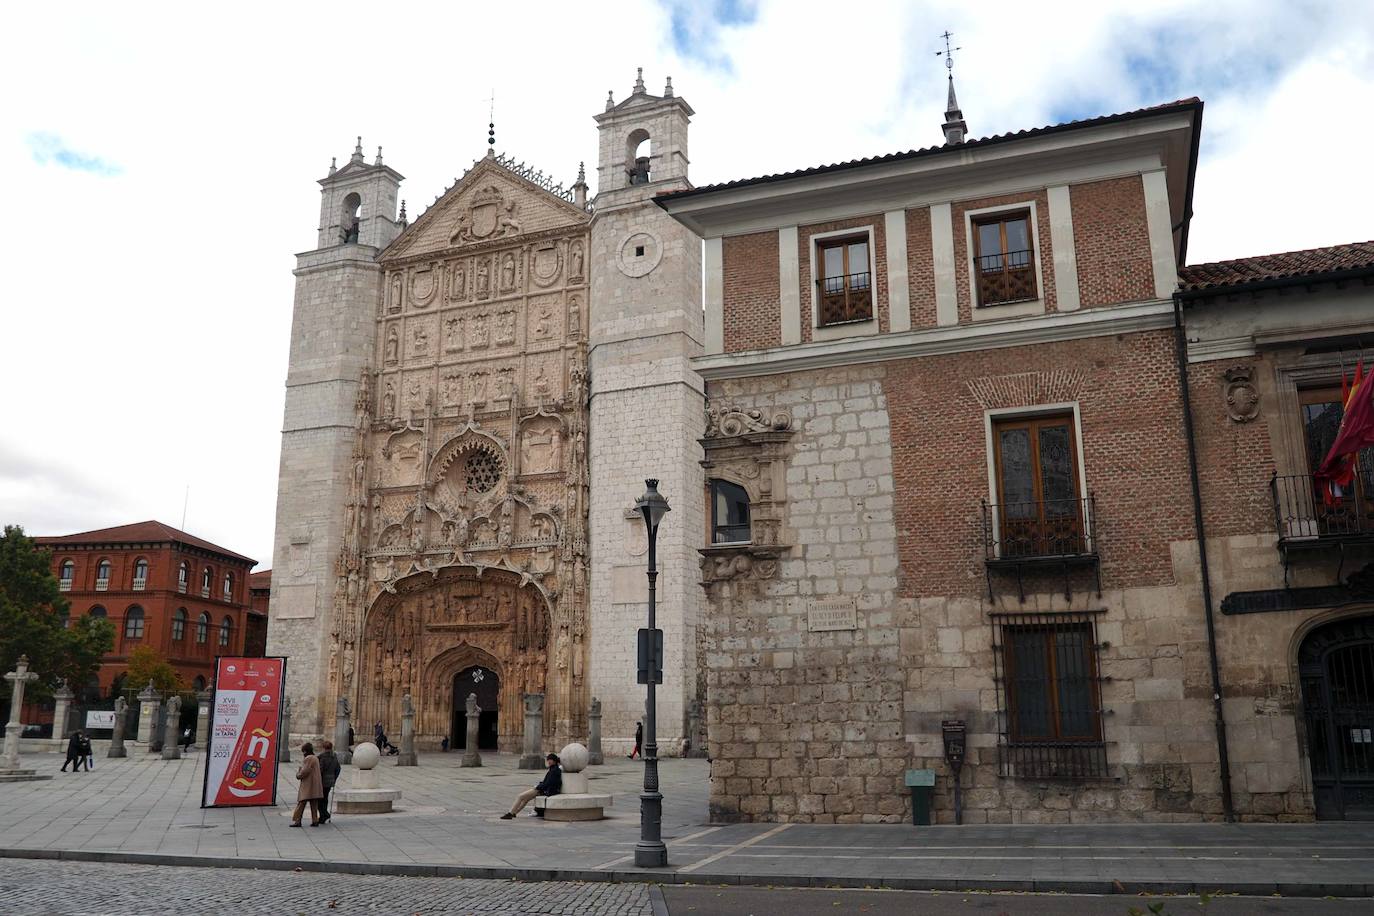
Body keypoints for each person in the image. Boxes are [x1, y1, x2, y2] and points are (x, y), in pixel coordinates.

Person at [500, 752, 561, 819]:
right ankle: (514, 813)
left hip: (543, 791)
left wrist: (537, 787)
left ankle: (510, 813)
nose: (548, 761)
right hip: (544, 790)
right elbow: (547, 782)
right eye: (548, 760)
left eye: (550, 760)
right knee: (525, 800)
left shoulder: (554, 771)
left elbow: (547, 784)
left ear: (554, 761)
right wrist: (540, 785)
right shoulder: (553, 769)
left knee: (520, 796)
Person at [290, 742, 324, 827]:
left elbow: (305, 771)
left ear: (305, 751)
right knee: (314, 804)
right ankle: (315, 820)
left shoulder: (308, 758)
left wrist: (298, 774)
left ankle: (297, 821)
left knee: (301, 803)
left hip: (308, 785)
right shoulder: (315, 758)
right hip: (315, 785)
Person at [317, 741, 341, 824]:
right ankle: (324, 815)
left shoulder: (322, 757)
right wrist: (334, 778)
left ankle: (324, 815)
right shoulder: (334, 756)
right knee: (325, 798)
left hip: (322, 781)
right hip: (330, 781)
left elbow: (320, 770)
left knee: (319, 799)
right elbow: (338, 768)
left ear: (324, 748)